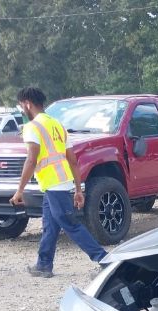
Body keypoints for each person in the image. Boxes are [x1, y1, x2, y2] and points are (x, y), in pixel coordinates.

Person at [9, 87, 107, 278]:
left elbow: (31, 159)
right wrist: (78, 188)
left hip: (54, 184)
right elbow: (72, 159)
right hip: (59, 183)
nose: (22, 110)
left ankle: (103, 259)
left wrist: (19, 190)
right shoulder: (57, 125)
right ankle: (44, 264)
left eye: (21, 106)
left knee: (70, 224)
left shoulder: (32, 127)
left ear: (27, 103)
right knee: (50, 225)